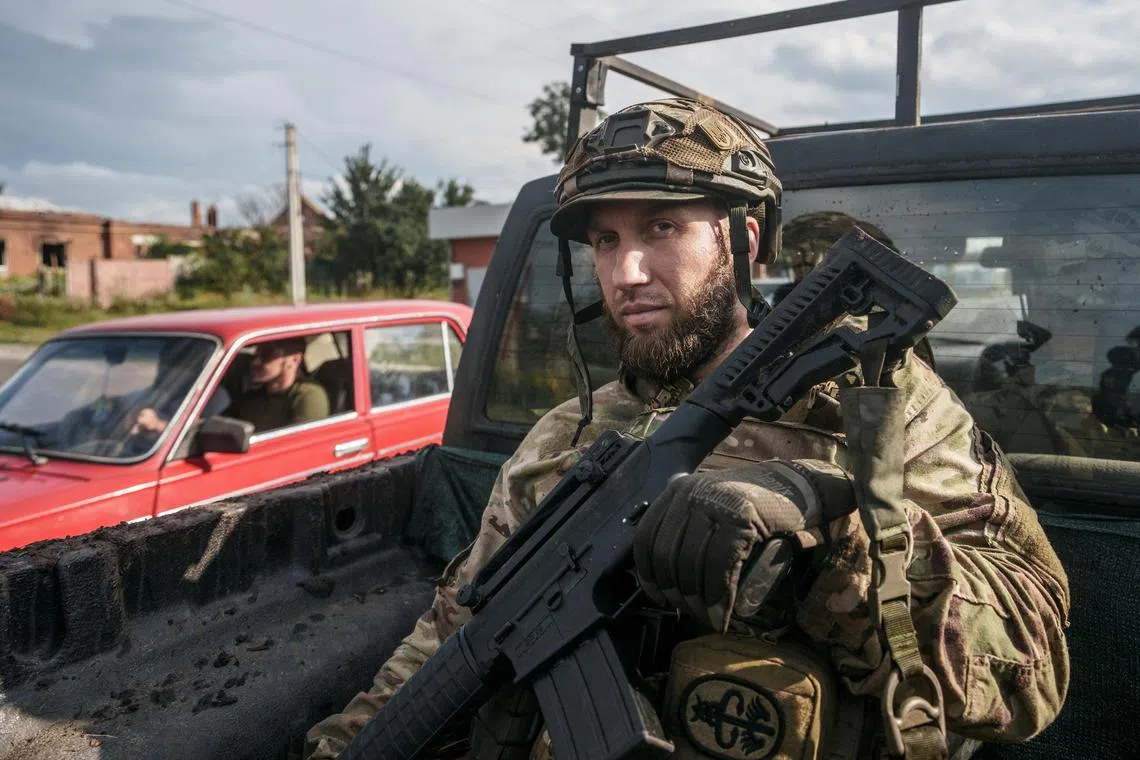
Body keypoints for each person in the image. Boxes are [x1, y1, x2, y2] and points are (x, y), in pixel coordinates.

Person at [305, 99, 1069, 759]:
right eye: (604, 240)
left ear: (745, 240)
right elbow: (452, 638)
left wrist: (826, 552)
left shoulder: (878, 412)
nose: (626, 270)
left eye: (661, 226)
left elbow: (1033, 665)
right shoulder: (562, 439)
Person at [226, 337, 329, 433]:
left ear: (294, 360)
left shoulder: (308, 396)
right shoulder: (252, 397)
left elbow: (299, 444)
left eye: (267, 354)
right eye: (255, 354)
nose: (255, 362)